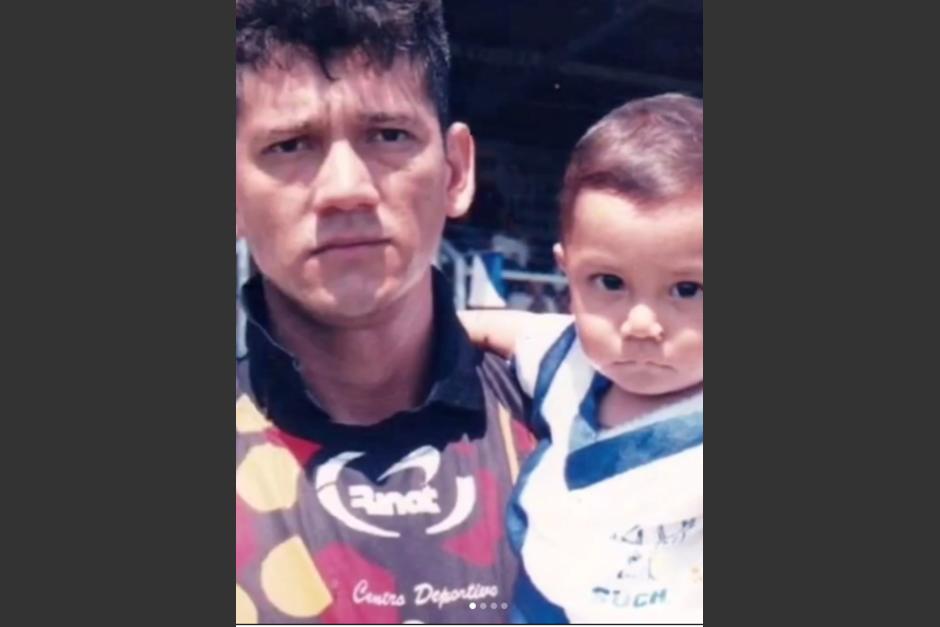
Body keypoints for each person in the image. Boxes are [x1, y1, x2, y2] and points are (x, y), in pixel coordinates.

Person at [234, 1, 534, 622]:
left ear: (455, 171)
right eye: (290, 145)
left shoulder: (582, 425)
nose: (346, 187)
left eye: (388, 135)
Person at [460, 94, 704, 623]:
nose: (642, 324)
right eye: (610, 283)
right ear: (566, 273)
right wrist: (451, 326)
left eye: (687, 290)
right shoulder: (566, 357)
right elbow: (502, 327)